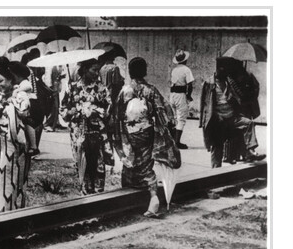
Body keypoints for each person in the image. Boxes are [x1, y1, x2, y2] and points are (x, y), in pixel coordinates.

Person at [114, 57, 181, 218]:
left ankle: (128, 199)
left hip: (129, 132)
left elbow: (116, 114)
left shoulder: (124, 91)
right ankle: (153, 198)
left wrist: (119, 131)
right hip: (146, 132)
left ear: (130, 72)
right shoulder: (151, 90)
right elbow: (165, 112)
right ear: (144, 71)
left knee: (130, 162)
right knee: (146, 165)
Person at [199, 56, 266, 168]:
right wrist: (203, 122)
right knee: (217, 147)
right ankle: (215, 172)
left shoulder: (230, 81)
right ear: (218, 69)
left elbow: (243, 95)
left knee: (248, 123)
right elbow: (204, 104)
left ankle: (250, 150)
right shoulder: (209, 83)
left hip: (232, 118)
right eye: (222, 70)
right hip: (218, 120)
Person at [60, 58, 113, 195]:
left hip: (97, 133)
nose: (97, 73)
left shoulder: (101, 88)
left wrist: (96, 111)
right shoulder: (72, 87)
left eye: (98, 70)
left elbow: (108, 109)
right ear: (84, 69)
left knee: (98, 166)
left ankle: (98, 198)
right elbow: (64, 108)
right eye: (94, 70)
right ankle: (85, 197)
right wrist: (73, 112)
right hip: (79, 133)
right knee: (82, 165)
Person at [0, 58, 32, 214]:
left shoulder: (20, 95)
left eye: (0, 81)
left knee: (13, 180)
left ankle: (9, 215)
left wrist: (8, 104)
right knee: (2, 178)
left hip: (16, 145)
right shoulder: (0, 96)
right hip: (4, 145)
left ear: (11, 79)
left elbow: (24, 111)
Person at [169, 49, 195, 149]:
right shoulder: (186, 70)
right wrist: (188, 95)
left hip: (172, 94)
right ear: (185, 60)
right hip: (180, 95)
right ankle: (177, 142)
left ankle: (172, 140)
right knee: (181, 119)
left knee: (174, 117)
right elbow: (190, 84)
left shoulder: (174, 70)